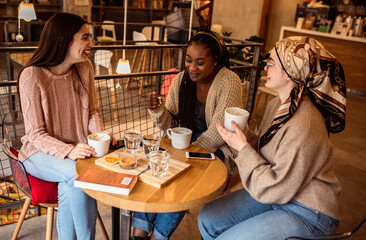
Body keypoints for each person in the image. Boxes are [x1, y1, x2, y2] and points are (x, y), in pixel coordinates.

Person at [197, 36, 346, 239]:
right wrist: (245, 136)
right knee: (208, 217)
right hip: (283, 193)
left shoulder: (304, 125)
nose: (266, 67)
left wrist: (242, 148)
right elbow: (269, 151)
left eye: (272, 63)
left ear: (292, 72)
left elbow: (274, 188)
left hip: (309, 211)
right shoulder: (277, 105)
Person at [131, 29, 243, 240]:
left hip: (216, 149)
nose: (192, 68)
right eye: (189, 60)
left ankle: (158, 237)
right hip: (183, 144)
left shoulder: (229, 81)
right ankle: (139, 232)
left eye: (199, 62)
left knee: (183, 181)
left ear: (216, 61)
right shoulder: (182, 80)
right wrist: (158, 110)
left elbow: (219, 131)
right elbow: (170, 125)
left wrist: (186, 154)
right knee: (156, 166)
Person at [17, 12, 116, 240]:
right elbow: (35, 134)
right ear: (64, 40)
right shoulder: (32, 76)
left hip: (76, 151)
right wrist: (68, 150)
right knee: (79, 175)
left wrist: (99, 133)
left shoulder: (85, 68)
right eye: (85, 38)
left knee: (70, 185)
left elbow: (92, 111)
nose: (91, 44)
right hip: (38, 153)